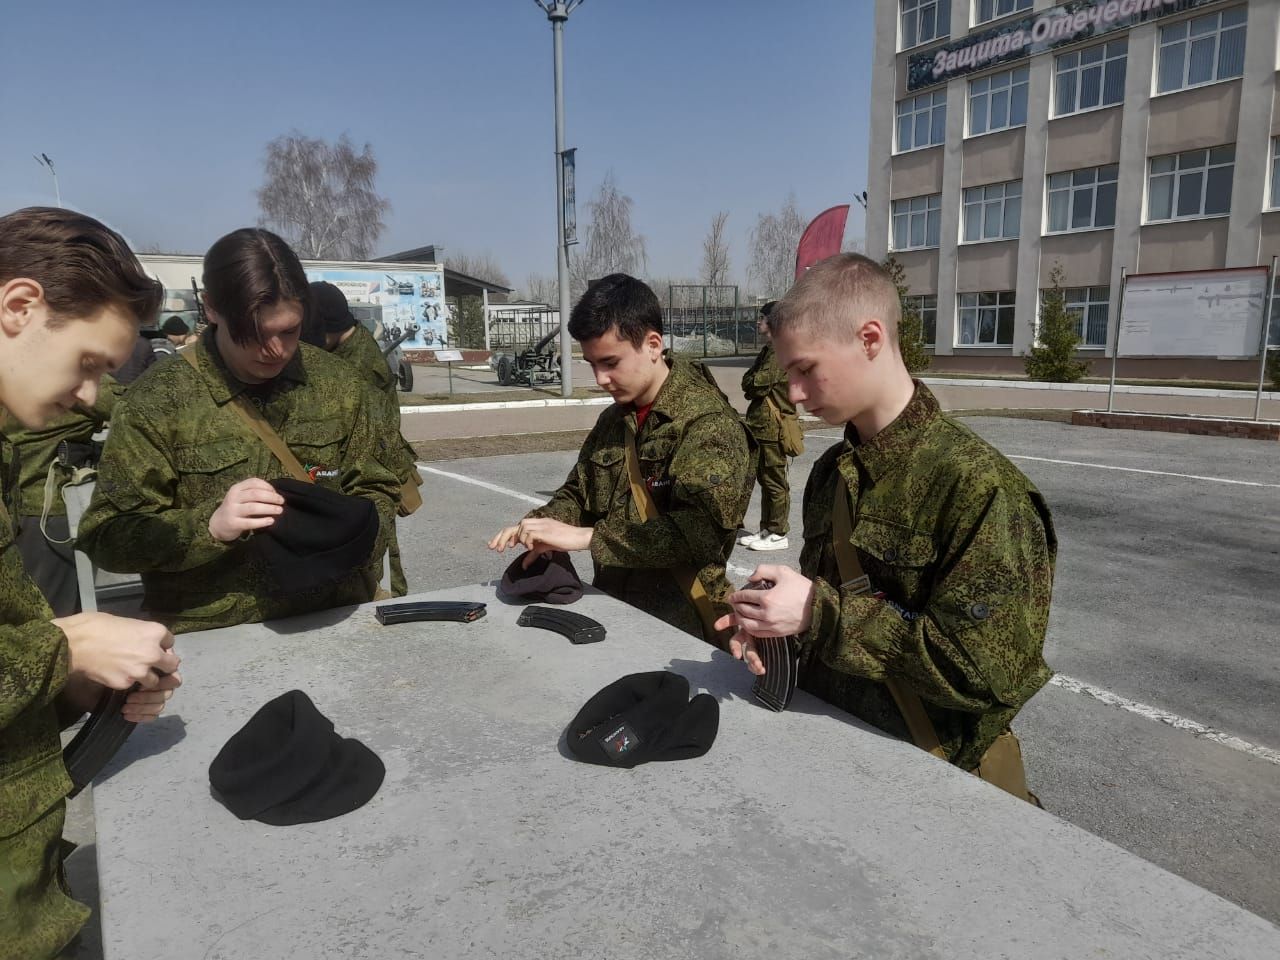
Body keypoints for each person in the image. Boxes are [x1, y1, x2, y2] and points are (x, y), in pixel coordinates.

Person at [717, 254, 1054, 800]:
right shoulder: (832, 473)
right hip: (834, 757)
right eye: (788, 375)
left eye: (805, 369)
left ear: (870, 338)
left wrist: (818, 613)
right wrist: (777, 628)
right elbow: (833, 615)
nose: (795, 394)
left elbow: (983, 675)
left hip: (935, 780)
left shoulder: (978, 487)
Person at [0, 206, 181, 960]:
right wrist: (62, 648)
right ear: (20, 307)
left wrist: (91, 685)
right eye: (88, 364)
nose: (87, 396)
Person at [77, 228, 401, 634]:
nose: (275, 350)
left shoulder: (339, 384)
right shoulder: (158, 401)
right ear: (212, 308)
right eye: (254, 334)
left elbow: (378, 485)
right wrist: (209, 527)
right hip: (212, 632)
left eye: (289, 331)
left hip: (332, 616)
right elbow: (105, 536)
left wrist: (349, 528)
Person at [489, 273, 753, 647]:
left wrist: (587, 538)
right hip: (614, 613)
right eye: (593, 364)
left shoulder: (708, 425)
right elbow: (579, 494)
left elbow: (696, 535)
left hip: (683, 630)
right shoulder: (616, 420)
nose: (600, 379)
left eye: (610, 362)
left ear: (653, 344)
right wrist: (539, 525)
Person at [308, 280, 421, 596]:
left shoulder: (358, 365)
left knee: (362, 568)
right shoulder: (351, 346)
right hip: (367, 465)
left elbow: (363, 430)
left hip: (367, 470)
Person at [2, 376, 122, 615]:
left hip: (16, 509)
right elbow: (139, 411)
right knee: (57, 614)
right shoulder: (71, 376)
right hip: (49, 512)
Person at [738, 302, 799, 552]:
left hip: (773, 427)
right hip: (762, 427)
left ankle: (778, 532)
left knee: (774, 481)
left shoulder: (778, 351)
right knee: (765, 479)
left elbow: (758, 384)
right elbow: (746, 382)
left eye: (761, 317)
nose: (757, 321)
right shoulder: (769, 350)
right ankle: (767, 529)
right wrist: (751, 382)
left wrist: (751, 382)